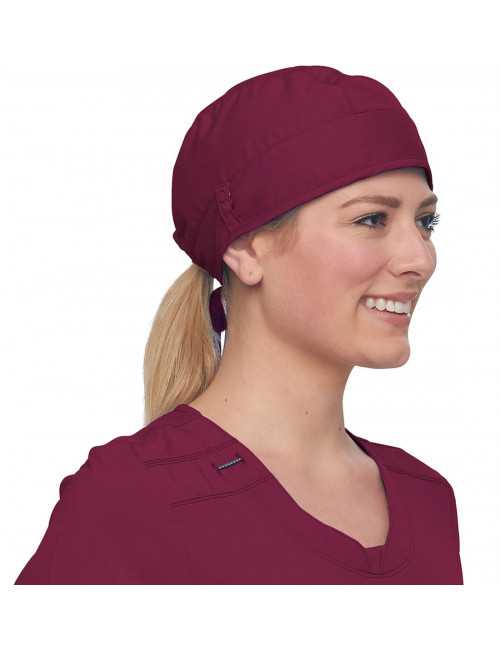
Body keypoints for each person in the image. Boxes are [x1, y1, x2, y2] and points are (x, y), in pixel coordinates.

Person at [14, 65, 463, 584]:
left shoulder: (427, 500)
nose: (420, 258)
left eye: (425, 222)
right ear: (246, 250)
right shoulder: (130, 503)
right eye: (371, 219)